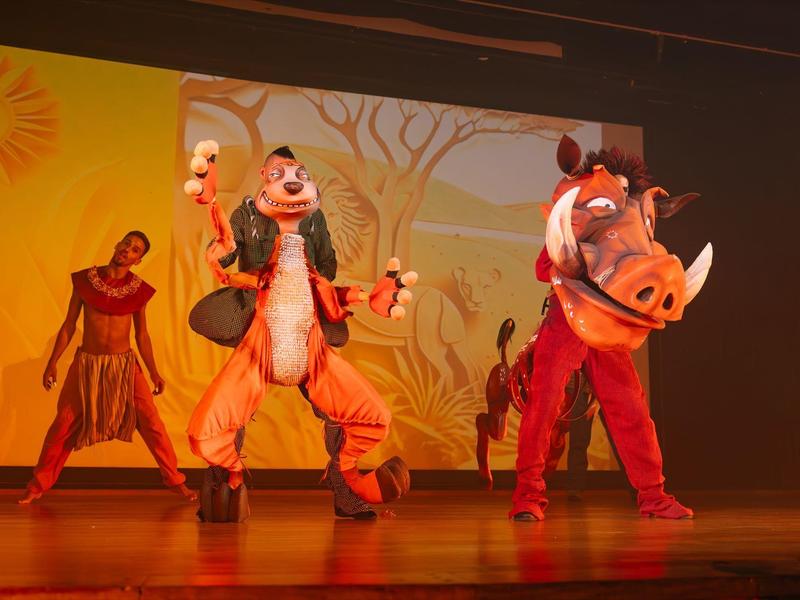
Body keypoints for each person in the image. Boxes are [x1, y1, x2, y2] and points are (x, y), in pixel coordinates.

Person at [188, 146, 377, 519]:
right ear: (264, 175)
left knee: (333, 407)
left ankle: (345, 491)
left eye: (295, 174)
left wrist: (316, 284)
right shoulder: (246, 213)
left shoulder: (313, 217)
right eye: (278, 172)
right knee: (232, 405)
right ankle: (222, 489)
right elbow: (226, 257)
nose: (289, 183)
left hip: (301, 319)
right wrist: (227, 250)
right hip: (258, 318)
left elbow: (329, 264)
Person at [19, 231, 196, 504]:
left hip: (124, 365)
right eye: (126, 243)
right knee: (63, 423)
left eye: (135, 249)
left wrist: (153, 372)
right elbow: (68, 325)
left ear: (138, 260)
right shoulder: (85, 281)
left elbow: (142, 336)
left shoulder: (138, 289)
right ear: (117, 245)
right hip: (87, 363)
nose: (128, 249)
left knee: (151, 422)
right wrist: (52, 362)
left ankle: (174, 480)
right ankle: (38, 485)